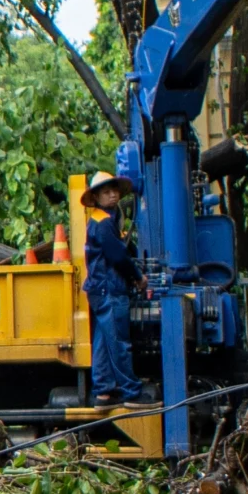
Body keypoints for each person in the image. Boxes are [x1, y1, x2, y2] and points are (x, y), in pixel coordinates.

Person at [81, 170, 146, 406]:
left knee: (103, 341)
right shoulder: (103, 222)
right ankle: (131, 392)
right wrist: (137, 277)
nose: (113, 195)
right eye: (106, 192)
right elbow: (117, 256)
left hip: (100, 289)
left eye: (115, 190)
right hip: (109, 289)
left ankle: (103, 391)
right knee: (119, 342)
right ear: (96, 197)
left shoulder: (105, 220)